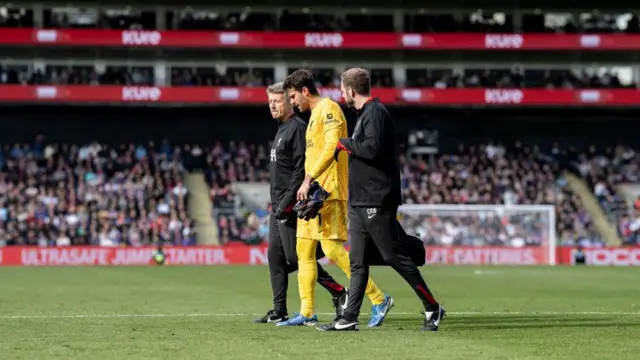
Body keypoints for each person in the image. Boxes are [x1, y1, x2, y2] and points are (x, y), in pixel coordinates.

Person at [317, 68, 445, 332]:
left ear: (352, 90)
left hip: (377, 199)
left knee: (393, 255)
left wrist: (345, 144)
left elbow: (372, 150)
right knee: (358, 262)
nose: (342, 95)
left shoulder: (376, 113)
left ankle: (433, 307)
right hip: (359, 201)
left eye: (343, 90)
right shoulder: (366, 115)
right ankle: (350, 316)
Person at [276, 69, 394, 328]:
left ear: (305, 91)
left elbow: (333, 146)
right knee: (303, 251)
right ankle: (307, 312)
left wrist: (309, 180)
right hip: (312, 192)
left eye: (293, 96)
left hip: (328, 192)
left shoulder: (328, 110)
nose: (292, 102)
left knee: (331, 248)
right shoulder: (313, 116)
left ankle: (378, 298)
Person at [253, 82, 348, 324]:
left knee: (297, 259)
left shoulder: (296, 128)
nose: (272, 106)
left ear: (288, 101)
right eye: (270, 102)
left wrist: (286, 202)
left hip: (290, 205)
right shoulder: (282, 129)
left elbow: (300, 168)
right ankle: (279, 309)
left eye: (277, 101)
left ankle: (338, 291)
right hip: (277, 206)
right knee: (274, 256)